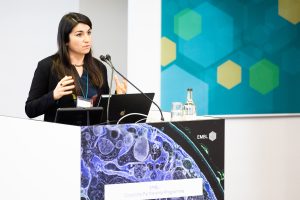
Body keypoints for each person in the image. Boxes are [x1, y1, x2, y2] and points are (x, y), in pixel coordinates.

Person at [25, 12, 127, 122]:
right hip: (61, 135)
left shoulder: (99, 67)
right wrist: (54, 95)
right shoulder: (47, 66)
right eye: (79, 34)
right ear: (66, 39)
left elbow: (105, 111)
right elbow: (30, 110)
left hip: (92, 135)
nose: (87, 39)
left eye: (89, 33)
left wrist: (118, 98)